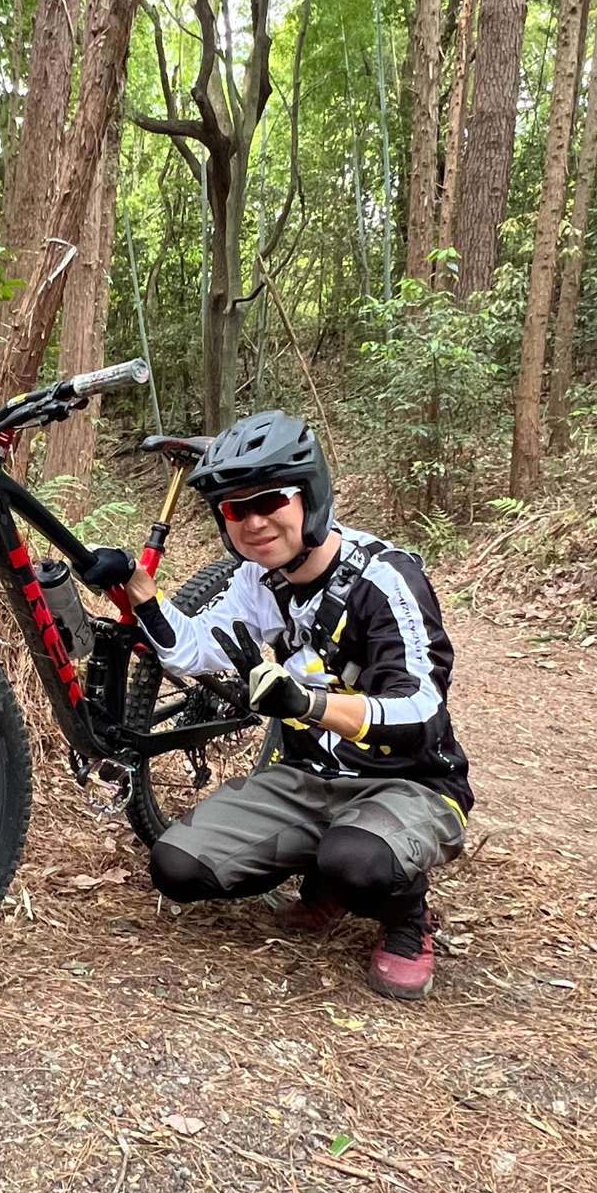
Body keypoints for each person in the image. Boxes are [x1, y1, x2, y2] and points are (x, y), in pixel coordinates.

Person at [80, 410, 472, 1000]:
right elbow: (192, 650)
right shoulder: (259, 579)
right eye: (235, 510)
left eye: (269, 501)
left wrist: (308, 704)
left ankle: (406, 919)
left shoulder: (385, 581)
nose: (254, 522)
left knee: (359, 862)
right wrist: (138, 589)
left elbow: (420, 710)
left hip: (411, 783)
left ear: (310, 497)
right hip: (307, 778)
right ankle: (328, 874)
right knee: (178, 867)